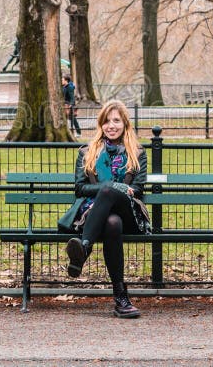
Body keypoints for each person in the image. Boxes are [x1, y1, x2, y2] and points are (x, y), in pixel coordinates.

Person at [65, 100, 149, 318]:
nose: (111, 126)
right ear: (100, 125)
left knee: (109, 191)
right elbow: (80, 188)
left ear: (125, 124)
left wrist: (114, 188)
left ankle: (84, 248)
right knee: (112, 223)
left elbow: (138, 189)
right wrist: (109, 188)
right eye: (107, 121)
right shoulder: (87, 152)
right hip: (97, 216)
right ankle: (121, 298)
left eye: (116, 121)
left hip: (130, 214)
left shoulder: (137, 152)